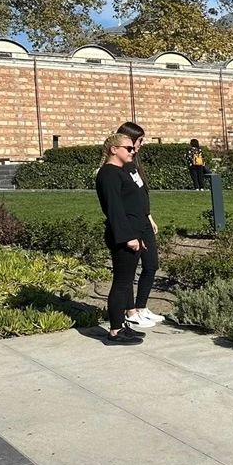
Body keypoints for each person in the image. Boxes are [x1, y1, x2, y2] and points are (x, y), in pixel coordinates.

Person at [94, 134, 147, 344]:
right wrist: (128, 237)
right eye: (128, 148)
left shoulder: (120, 171)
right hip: (124, 236)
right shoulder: (108, 173)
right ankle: (115, 330)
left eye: (132, 148)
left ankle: (121, 325)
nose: (132, 151)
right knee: (122, 283)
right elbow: (115, 209)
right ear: (114, 149)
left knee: (126, 283)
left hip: (133, 233)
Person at [115, 122, 163, 329]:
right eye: (139, 140)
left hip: (143, 221)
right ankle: (130, 311)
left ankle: (141, 307)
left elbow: (140, 195)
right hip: (131, 224)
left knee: (151, 264)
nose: (141, 144)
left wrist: (149, 216)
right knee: (129, 270)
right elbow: (120, 201)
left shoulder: (134, 164)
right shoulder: (119, 166)